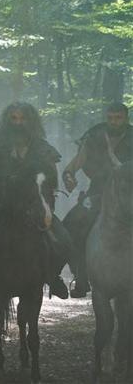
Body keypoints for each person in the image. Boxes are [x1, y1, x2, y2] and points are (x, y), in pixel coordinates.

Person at [0, 102, 69, 299]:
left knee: (64, 240)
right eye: (14, 118)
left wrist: (47, 205)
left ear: (30, 121)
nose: (18, 123)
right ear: (7, 120)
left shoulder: (42, 148)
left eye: (22, 119)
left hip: (31, 204)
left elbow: (51, 180)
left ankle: (54, 276)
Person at [61, 102, 132, 298]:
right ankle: (81, 275)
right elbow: (75, 163)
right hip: (98, 193)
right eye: (110, 118)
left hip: (129, 192)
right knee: (71, 226)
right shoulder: (94, 136)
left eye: (118, 118)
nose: (114, 122)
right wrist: (68, 176)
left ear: (126, 118)